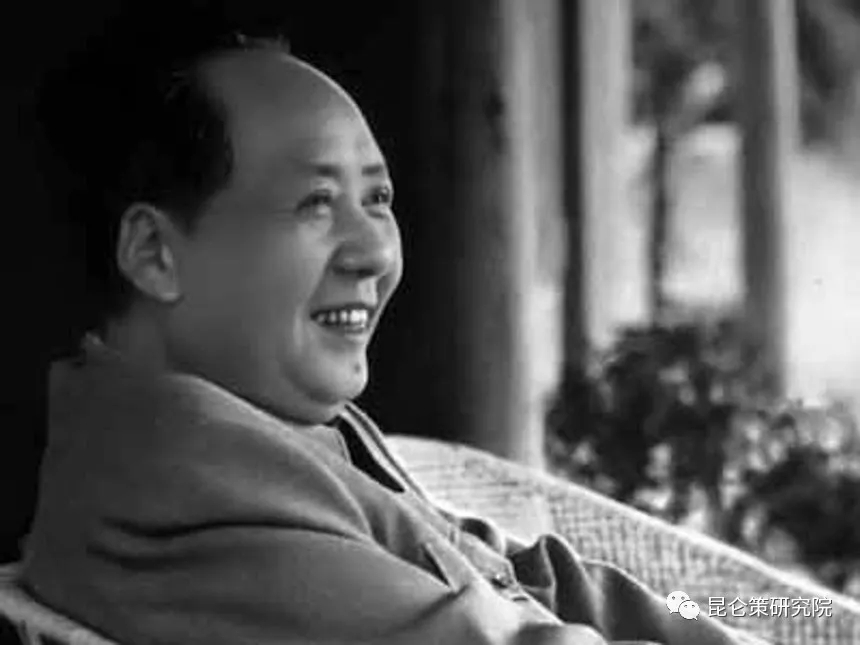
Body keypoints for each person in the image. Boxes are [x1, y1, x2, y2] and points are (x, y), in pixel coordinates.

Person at [22, 17, 767, 645]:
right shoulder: (182, 504)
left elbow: (524, 577)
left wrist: (773, 621)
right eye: (315, 202)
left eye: (377, 199)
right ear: (156, 253)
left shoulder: (254, 436)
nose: (374, 252)